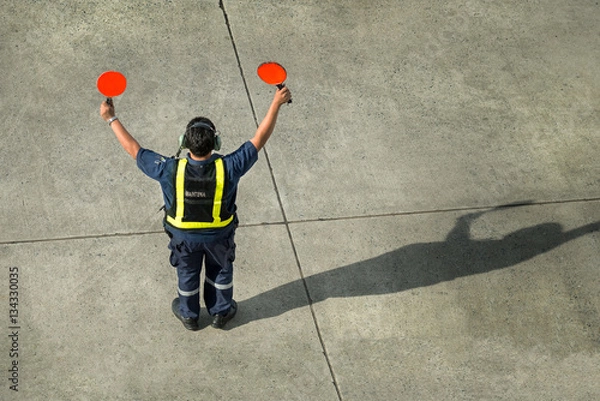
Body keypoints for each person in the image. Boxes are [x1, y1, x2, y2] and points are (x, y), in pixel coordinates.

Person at [99, 86, 292, 330]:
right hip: (220, 237)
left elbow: (135, 150)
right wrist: (276, 103)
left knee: (187, 274)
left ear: (184, 142)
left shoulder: (169, 169)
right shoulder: (230, 166)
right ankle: (221, 312)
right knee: (221, 271)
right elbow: (259, 138)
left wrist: (111, 118)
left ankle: (189, 315)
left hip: (183, 239)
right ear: (217, 143)